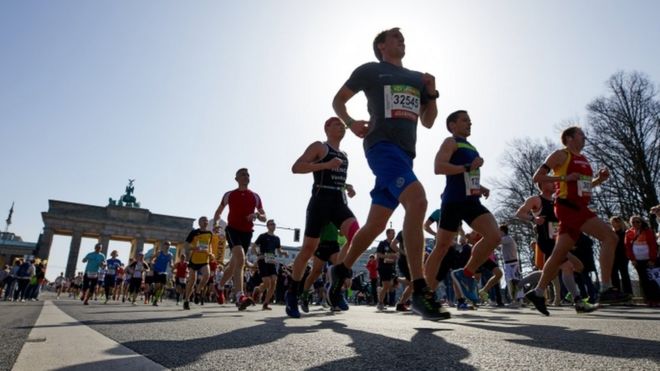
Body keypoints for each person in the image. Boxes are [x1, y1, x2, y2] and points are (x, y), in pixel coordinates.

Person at [329, 27, 448, 320]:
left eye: (404, 38)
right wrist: (350, 122)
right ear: (381, 46)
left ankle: (340, 270)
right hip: (381, 147)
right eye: (395, 38)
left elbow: (429, 121)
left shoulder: (417, 78)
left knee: (375, 225)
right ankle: (421, 291)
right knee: (418, 200)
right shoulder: (371, 70)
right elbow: (338, 100)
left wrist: (431, 93)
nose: (402, 41)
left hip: (405, 155)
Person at [526, 126, 630, 316]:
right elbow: (537, 177)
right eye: (581, 135)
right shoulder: (560, 155)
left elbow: (583, 186)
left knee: (559, 254)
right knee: (610, 237)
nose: (585, 138)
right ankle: (606, 287)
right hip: (568, 206)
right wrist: (564, 177)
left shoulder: (584, 159)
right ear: (569, 138)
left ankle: (538, 292)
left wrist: (599, 180)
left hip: (578, 206)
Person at [425, 110, 501, 307]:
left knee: (494, 236)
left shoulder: (472, 147)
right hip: (454, 201)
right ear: (452, 125)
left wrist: (479, 186)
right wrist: (468, 166)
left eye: (470, 120)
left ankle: (466, 274)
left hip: (472, 201)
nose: (470, 123)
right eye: (465, 120)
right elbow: (438, 167)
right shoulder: (450, 142)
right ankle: (424, 292)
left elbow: (467, 176)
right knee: (441, 247)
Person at [286, 117, 359, 318]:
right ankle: (293, 293)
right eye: (337, 124)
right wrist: (324, 165)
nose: (341, 128)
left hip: (338, 201)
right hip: (320, 199)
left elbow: (336, 177)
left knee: (357, 237)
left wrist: (347, 186)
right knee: (308, 249)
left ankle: (337, 281)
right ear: (326, 127)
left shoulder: (344, 155)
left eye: (343, 126)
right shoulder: (319, 146)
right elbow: (297, 167)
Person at [214, 168, 267, 311]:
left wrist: (257, 215)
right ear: (236, 179)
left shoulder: (255, 196)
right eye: (242, 174)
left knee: (233, 265)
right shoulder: (229, 195)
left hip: (247, 233)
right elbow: (218, 212)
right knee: (241, 258)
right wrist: (215, 224)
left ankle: (219, 286)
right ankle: (240, 296)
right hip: (232, 230)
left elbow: (264, 217)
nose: (246, 176)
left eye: (248, 174)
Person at [252, 219, 288, 310]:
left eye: (274, 224)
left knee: (274, 282)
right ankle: (258, 289)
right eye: (271, 224)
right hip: (263, 260)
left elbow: (279, 251)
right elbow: (253, 247)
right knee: (267, 282)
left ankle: (266, 303)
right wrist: (258, 255)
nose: (273, 225)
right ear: (267, 226)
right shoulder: (262, 236)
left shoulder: (277, 238)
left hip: (271, 261)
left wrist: (284, 253)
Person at [625, 216, 659, 306]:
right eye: (633, 222)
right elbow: (628, 247)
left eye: (638, 222)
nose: (636, 224)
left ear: (642, 222)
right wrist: (632, 259)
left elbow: (653, 245)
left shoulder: (648, 231)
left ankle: (657, 299)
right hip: (637, 261)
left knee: (652, 279)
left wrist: (652, 259)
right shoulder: (629, 233)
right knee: (643, 280)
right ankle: (649, 299)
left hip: (648, 259)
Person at [183, 216, 213, 310]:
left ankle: (198, 291)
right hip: (194, 260)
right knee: (192, 281)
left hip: (204, 259)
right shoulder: (194, 232)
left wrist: (211, 253)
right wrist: (193, 248)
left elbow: (210, 245)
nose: (206, 222)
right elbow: (186, 245)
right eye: (204, 220)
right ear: (199, 223)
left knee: (207, 275)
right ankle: (186, 300)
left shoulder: (209, 233)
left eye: (207, 221)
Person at [610, 216, 633, 295]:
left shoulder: (625, 232)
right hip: (613, 256)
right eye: (613, 221)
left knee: (624, 274)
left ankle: (628, 293)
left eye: (617, 221)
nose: (615, 223)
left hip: (623, 255)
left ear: (620, 222)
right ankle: (617, 293)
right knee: (613, 273)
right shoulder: (611, 233)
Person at [375, 229, 398, 311]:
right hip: (383, 267)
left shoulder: (394, 245)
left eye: (394, 233)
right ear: (387, 234)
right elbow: (378, 255)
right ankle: (380, 303)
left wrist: (395, 256)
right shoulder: (382, 243)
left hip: (392, 268)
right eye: (392, 233)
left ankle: (381, 297)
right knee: (385, 286)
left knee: (392, 286)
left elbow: (397, 255)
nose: (394, 235)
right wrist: (388, 256)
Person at [151, 241, 174, 306]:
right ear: (163, 245)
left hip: (164, 272)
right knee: (157, 286)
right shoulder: (159, 253)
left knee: (162, 287)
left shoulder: (170, 255)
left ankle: (156, 300)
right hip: (157, 271)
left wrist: (172, 265)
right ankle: (153, 292)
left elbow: (171, 262)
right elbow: (152, 258)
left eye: (169, 245)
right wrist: (152, 263)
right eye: (166, 244)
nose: (167, 246)